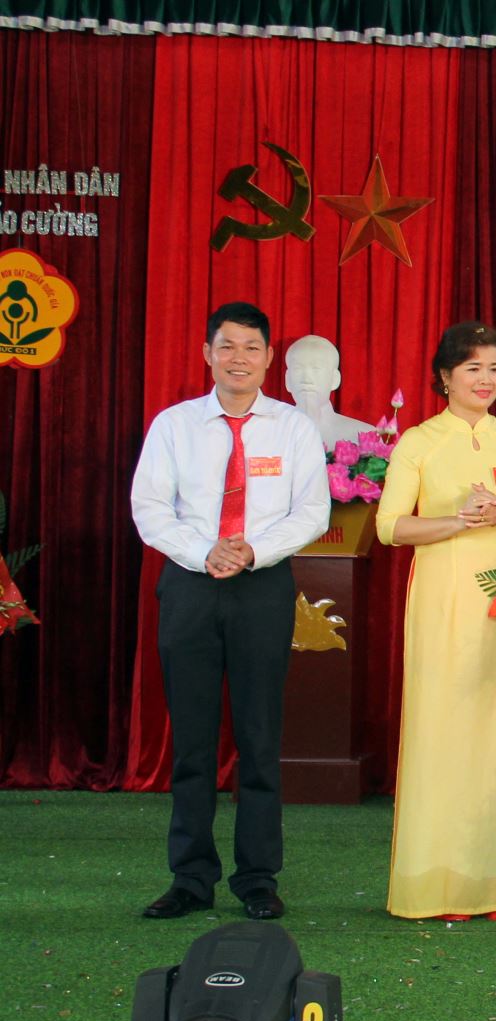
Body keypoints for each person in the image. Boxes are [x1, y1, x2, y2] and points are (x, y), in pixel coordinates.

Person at [131, 301, 331, 920]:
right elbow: (149, 507)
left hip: (261, 587)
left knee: (259, 738)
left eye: (251, 347)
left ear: (269, 358)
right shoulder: (174, 425)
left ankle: (257, 879)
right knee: (192, 742)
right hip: (189, 587)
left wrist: (251, 551)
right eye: (227, 346)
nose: (238, 358)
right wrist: (204, 551)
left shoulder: (293, 428)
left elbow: (312, 511)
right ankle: (190, 878)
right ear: (207, 354)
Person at [377, 321, 496, 921]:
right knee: (444, 734)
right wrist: (458, 520)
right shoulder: (419, 441)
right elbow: (390, 525)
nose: (485, 379)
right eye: (472, 367)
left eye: (494, 368)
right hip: (444, 604)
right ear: (445, 376)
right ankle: (441, 885)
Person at [283, 334, 378, 447]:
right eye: (297, 369)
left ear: (335, 379)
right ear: (287, 380)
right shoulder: (269, 431)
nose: (306, 379)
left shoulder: (363, 435)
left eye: (316, 369)